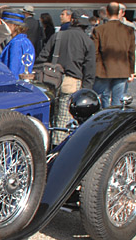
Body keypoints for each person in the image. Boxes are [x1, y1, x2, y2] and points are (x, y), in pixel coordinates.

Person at [37, 11, 95, 143]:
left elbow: (42, 57)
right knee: (64, 119)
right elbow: (90, 71)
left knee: (49, 115)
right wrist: (86, 90)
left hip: (51, 80)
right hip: (72, 82)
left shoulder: (58, 36)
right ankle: (57, 148)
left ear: (72, 21)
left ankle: (43, 142)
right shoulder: (88, 42)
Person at [91, 1, 135, 107]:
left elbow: (95, 52)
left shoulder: (99, 30)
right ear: (120, 12)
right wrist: (132, 70)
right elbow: (131, 52)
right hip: (122, 69)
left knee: (100, 98)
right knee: (118, 101)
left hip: (103, 69)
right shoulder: (129, 30)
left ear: (107, 12)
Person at [0, 10, 35, 76]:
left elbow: (13, 70)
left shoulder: (16, 43)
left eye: (5, 24)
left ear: (14, 25)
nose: (3, 27)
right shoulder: (27, 42)